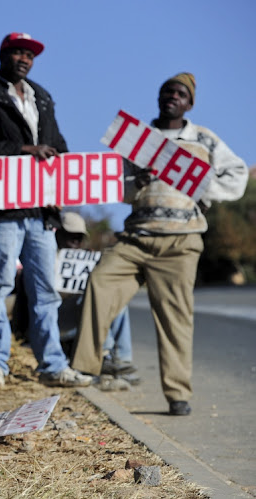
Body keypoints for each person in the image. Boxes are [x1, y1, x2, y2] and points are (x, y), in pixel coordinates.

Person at [71, 73, 248, 415]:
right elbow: (120, 190)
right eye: (167, 91)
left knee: (174, 316)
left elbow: (237, 174)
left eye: (180, 93)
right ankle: (84, 369)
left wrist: (202, 188)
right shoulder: (140, 141)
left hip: (180, 241)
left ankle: (178, 394)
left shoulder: (204, 140)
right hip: (136, 237)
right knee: (99, 283)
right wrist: (134, 182)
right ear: (158, 98)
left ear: (190, 103)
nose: (173, 97)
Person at [0, 32, 92, 388]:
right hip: (3, 211)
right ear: (3, 55)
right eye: (17, 52)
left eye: (29, 54)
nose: (24, 59)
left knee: (45, 288)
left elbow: (59, 147)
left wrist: (60, 183)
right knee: (0, 282)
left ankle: (52, 364)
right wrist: (22, 149)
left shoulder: (42, 98)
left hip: (41, 213)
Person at [55, 212, 139, 386]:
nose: (75, 243)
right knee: (96, 301)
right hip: (58, 322)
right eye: (71, 237)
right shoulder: (47, 258)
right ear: (58, 235)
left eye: (79, 238)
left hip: (81, 319)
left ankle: (122, 360)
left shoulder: (86, 258)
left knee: (117, 302)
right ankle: (104, 357)